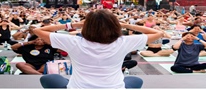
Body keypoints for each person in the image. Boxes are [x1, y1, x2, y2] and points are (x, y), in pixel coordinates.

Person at [35, 9, 163, 89]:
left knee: (47, 79)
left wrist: (73, 24)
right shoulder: (123, 42)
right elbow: (158, 34)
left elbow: (37, 30)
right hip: (114, 88)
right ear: (114, 25)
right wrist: (125, 24)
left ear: (86, 26)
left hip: (78, 87)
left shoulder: (73, 42)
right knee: (136, 81)